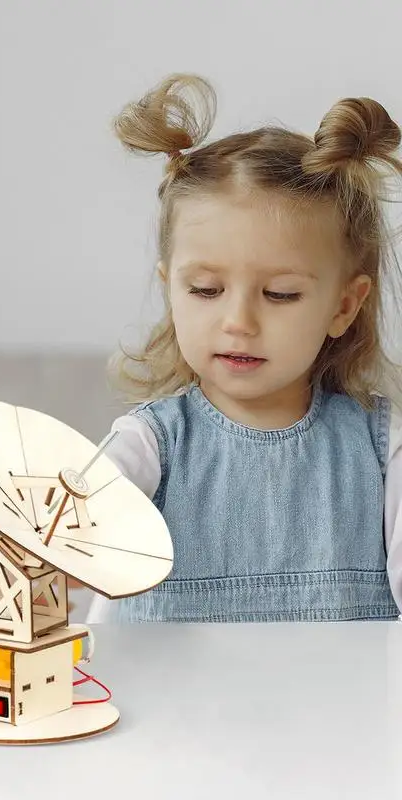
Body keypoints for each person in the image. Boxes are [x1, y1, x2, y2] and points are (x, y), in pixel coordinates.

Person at [87, 74, 402, 624]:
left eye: (280, 294)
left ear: (343, 306)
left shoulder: (383, 449)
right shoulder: (146, 446)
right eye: (205, 290)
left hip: (337, 710)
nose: (238, 322)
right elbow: (70, 549)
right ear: (169, 288)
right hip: (172, 709)